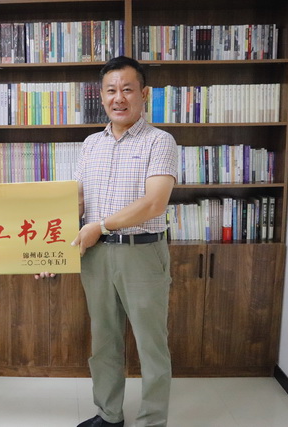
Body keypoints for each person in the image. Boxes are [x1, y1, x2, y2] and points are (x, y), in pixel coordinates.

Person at [38, 56, 177, 427]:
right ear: (101, 96)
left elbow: (154, 203)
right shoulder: (90, 144)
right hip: (96, 256)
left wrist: (100, 226)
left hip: (141, 254)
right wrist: (49, 251)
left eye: (127, 89)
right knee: (103, 341)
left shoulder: (159, 141)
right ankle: (108, 414)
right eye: (111, 90)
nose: (119, 98)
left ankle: (152, 421)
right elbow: (76, 202)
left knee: (151, 345)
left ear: (144, 94)